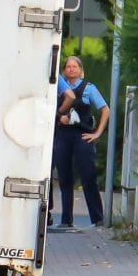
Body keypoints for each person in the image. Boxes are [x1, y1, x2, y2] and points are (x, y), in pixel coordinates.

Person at [53, 56, 109, 229]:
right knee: (64, 177)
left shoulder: (88, 89)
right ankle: (66, 220)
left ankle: (97, 218)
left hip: (82, 136)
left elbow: (105, 110)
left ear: (80, 69)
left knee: (88, 176)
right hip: (62, 135)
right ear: (63, 70)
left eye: (74, 66)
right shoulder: (58, 87)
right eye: (68, 66)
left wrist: (97, 133)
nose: (71, 69)